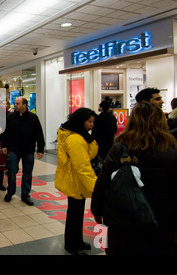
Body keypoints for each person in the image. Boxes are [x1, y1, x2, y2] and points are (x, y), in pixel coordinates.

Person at [91, 102, 177, 255]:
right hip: (162, 219)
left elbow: (103, 182)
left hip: (124, 218)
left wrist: (97, 210)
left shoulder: (121, 147)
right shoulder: (172, 149)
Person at [55, 107, 98, 255]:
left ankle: (77, 241)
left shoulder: (79, 134)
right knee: (74, 214)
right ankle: (72, 245)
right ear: (81, 121)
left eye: (93, 121)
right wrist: (95, 189)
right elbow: (83, 167)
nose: (92, 124)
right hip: (75, 181)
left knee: (77, 214)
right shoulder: (75, 139)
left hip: (76, 180)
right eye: (89, 121)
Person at [1, 97, 45, 205]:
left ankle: (25, 195)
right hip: (14, 149)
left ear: (24, 105)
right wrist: (4, 145)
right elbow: (5, 132)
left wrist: (40, 149)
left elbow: (39, 134)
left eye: (17, 103)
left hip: (28, 150)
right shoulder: (10, 117)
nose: (15, 105)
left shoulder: (33, 118)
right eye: (15, 103)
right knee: (11, 171)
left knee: (27, 173)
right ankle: (10, 191)